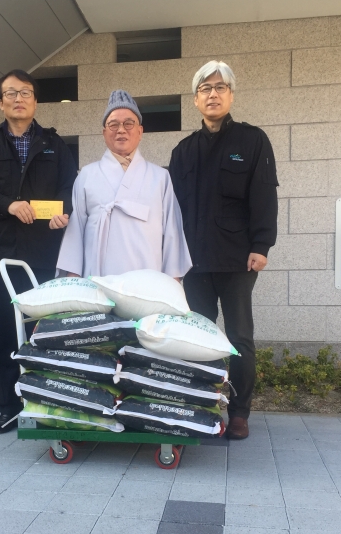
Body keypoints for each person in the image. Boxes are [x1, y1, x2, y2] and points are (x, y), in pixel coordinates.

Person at [0, 69, 77, 433]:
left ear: (35, 101)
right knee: (5, 336)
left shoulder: (54, 144)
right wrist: (8, 205)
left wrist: (64, 212)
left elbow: (71, 187)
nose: (18, 99)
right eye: (11, 93)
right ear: (1, 103)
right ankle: (9, 408)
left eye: (25, 92)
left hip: (44, 255)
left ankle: (46, 406)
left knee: (46, 334)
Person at [169, 61, 278, 440]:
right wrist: (173, 259)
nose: (212, 94)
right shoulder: (183, 151)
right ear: (195, 99)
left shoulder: (252, 141)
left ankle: (240, 412)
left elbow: (264, 194)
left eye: (220, 88)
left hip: (237, 260)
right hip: (194, 262)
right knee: (197, 336)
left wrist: (261, 245)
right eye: (205, 89)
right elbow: (173, 211)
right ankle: (201, 404)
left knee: (239, 337)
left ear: (230, 95)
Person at [56, 89, 192, 279]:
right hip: (97, 281)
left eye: (129, 123)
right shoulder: (87, 175)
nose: (121, 130)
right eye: (113, 124)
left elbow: (172, 233)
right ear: (104, 133)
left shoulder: (160, 177)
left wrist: (173, 282)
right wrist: (74, 281)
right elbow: (76, 233)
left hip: (147, 282)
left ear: (140, 131)